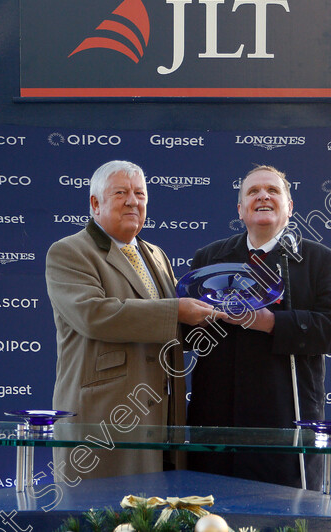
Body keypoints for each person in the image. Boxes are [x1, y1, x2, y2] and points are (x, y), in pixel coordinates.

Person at [45, 160, 217, 480]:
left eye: (140, 193)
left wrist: (216, 313)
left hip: (162, 420)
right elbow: (93, 314)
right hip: (105, 419)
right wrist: (178, 311)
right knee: (99, 519)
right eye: (121, 192)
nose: (132, 201)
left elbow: (172, 326)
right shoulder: (69, 252)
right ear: (95, 203)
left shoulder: (156, 254)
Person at [185, 165, 331, 489]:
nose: (263, 195)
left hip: (285, 427)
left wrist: (271, 322)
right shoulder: (208, 259)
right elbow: (189, 338)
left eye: (273, 190)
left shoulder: (319, 260)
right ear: (240, 209)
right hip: (217, 429)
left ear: (289, 207)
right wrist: (195, 316)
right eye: (253, 191)